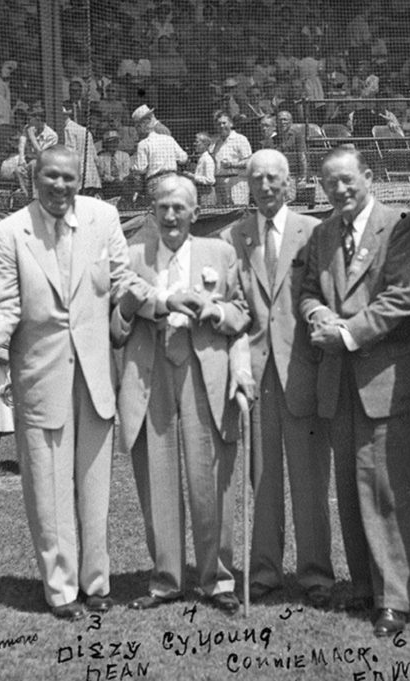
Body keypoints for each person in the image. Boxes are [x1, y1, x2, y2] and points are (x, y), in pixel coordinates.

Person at [0, 146, 156, 620]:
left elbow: (120, 281)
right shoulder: (9, 231)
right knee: (49, 491)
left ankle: (96, 583)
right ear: (31, 179)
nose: (60, 187)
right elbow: (6, 308)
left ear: (80, 180)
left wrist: (134, 299)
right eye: (50, 178)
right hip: (41, 378)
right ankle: (61, 590)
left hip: (96, 376)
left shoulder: (104, 218)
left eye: (68, 178)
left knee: (94, 488)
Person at [298, 148, 410, 638]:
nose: (340, 190)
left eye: (348, 180)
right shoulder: (323, 232)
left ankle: (393, 598)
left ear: (368, 177)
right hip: (340, 383)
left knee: (388, 491)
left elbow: (400, 297)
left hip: (386, 379)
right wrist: (317, 315)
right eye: (331, 183)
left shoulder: (401, 226)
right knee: (352, 490)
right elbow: (309, 289)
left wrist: (347, 333)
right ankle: (364, 587)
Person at [112, 173, 251, 616]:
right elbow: (115, 326)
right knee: (158, 479)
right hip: (149, 376)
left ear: (195, 212)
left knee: (209, 479)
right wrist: (141, 304)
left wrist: (215, 310)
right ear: (151, 211)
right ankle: (166, 580)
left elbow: (241, 312)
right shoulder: (131, 257)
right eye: (163, 207)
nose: (171, 216)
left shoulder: (221, 252)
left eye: (180, 208)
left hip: (202, 372)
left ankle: (218, 579)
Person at [219, 150, 333, 608]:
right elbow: (236, 306)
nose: (265, 185)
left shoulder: (314, 232)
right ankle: (264, 572)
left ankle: (316, 576)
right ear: (247, 184)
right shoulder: (234, 236)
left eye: (273, 177)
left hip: (303, 371)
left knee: (310, 482)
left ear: (289, 182)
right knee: (261, 481)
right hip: (256, 377)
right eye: (256, 178)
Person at [131, 105, 187, 197]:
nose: (137, 130)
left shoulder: (148, 140)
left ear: (144, 123)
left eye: (137, 126)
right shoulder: (169, 139)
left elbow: (140, 169)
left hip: (156, 182)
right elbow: (183, 158)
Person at [210, 111, 252, 206]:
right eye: (218, 124)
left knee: (239, 213)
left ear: (231, 124)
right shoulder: (215, 142)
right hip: (220, 183)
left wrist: (232, 165)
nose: (221, 126)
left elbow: (249, 161)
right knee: (223, 216)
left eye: (224, 123)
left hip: (237, 182)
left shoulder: (240, 139)